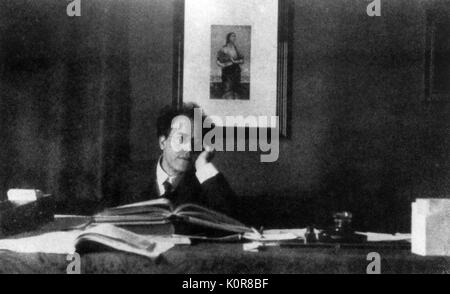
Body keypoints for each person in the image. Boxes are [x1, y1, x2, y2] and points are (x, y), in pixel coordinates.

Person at [124, 103, 237, 216]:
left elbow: (235, 220)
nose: (189, 148)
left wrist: (203, 164)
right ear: (163, 142)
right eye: (181, 139)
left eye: (195, 142)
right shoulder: (128, 178)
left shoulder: (206, 185)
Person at [216, 32, 244, 100]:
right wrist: (223, 65)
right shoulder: (223, 49)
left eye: (235, 36)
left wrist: (235, 61)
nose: (234, 38)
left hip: (236, 70)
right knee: (227, 89)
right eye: (232, 36)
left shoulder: (236, 49)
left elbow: (242, 60)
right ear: (228, 38)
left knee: (236, 90)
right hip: (227, 71)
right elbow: (218, 61)